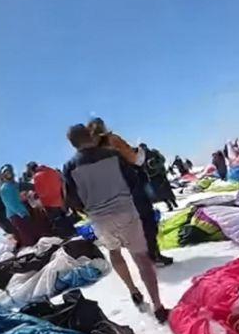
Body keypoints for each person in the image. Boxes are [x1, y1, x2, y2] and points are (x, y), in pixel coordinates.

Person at [62, 124, 170, 322]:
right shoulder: (112, 155)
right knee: (141, 258)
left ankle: (133, 290)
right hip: (125, 210)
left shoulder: (70, 167)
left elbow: (71, 199)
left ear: (72, 143)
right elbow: (132, 181)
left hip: (100, 218)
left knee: (115, 252)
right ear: (90, 136)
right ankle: (158, 306)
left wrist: (88, 209)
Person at [87, 118, 173, 266]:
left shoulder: (90, 153)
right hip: (131, 188)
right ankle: (154, 256)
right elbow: (136, 160)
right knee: (147, 222)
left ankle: (142, 258)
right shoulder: (112, 140)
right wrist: (139, 152)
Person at [26, 161, 77, 238]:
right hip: (59, 197)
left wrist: (34, 195)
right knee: (64, 216)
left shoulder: (37, 176)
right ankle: (73, 232)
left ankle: (67, 235)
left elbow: (41, 192)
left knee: (58, 219)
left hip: (49, 201)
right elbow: (60, 180)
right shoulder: (49, 170)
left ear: (31, 170)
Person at [0, 164, 40, 247]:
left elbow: (26, 185)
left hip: (21, 212)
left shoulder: (14, 184)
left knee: (31, 232)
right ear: (3, 176)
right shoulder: (5, 188)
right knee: (27, 235)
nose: (9, 174)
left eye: (10, 171)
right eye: (6, 172)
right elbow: (10, 203)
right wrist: (21, 213)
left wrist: (36, 186)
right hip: (16, 214)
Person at [139, 143, 178, 210]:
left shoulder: (154, 153)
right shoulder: (141, 158)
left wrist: (156, 164)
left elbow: (162, 160)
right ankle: (169, 204)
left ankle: (173, 201)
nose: (142, 149)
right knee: (159, 192)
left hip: (160, 174)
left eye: (143, 148)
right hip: (152, 177)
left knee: (166, 189)